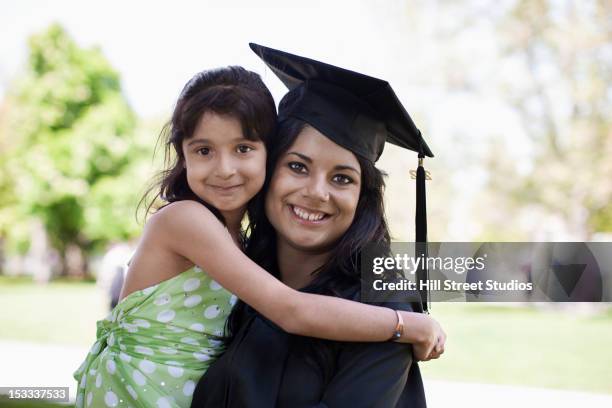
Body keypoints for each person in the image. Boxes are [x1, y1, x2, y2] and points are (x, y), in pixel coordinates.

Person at [73, 65, 444, 408]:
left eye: (342, 177)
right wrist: (406, 326)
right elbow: (291, 310)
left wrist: (400, 319)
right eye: (298, 166)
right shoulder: (201, 230)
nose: (225, 168)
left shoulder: (377, 299)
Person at [190, 44, 442, 407]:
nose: (316, 192)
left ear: (363, 197)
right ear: (268, 172)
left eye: (342, 179)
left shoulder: (383, 311)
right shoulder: (239, 278)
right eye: (297, 166)